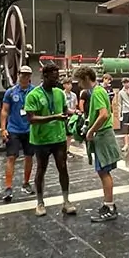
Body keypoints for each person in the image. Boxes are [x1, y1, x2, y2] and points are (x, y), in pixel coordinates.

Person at [24, 63, 76, 217]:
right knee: (41, 169)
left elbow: (65, 110)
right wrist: (54, 117)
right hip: (41, 139)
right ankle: (40, 202)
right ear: (45, 76)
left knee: (63, 167)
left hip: (58, 137)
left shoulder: (59, 93)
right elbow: (31, 118)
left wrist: (76, 113)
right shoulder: (33, 95)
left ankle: (66, 201)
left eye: (57, 77)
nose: (57, 80)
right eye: (54, 78)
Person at [75, 66, 121, 222]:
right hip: (101, 135)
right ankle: (108, 203)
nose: (79, 85)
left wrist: (91, 131)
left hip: (103, 135)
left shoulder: (98, 92)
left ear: (87, 78)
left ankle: (110, 206)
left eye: (80, 81)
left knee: (104, 171)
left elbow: (103, 114)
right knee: (102, 171)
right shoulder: (97, 92)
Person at [0, 65, 35, 202]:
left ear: (30, 76)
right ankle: (8, 187)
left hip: (29, 129)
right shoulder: (10, 92)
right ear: (18, 74)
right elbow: (4, 111)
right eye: (22, 74)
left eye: (27, 74)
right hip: (14, 129)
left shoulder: (35, 92)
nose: (25, 77)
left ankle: (26, 183)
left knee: (29, 156)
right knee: (11, 157)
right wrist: (3, 129)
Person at [63, 78, 78, 158]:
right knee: (64, 134)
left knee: (69, 135)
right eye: (67, 84)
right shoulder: (61, 94)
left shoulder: (74, 95)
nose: (69, 86)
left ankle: (67, 150)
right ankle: (63, 150)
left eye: (70, 84)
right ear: (64, 85)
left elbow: (75, 105)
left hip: (71, 116)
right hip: (64, 116)